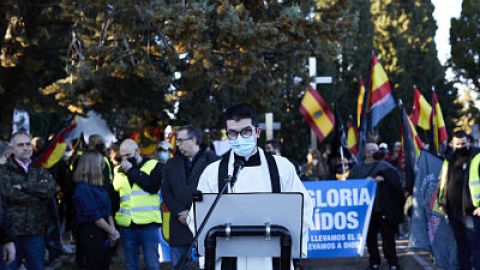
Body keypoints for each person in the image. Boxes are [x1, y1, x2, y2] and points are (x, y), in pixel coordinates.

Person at [190, 103, 313, 270]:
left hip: (272, 260)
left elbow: (303, 208)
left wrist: (287, 243)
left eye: (246, 131)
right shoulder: (212, 172)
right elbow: (197, 217)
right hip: (227, 261)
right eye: (233, 133)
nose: (239, 138)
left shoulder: (282, 168)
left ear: (258, 132)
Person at [162, 124, 218, 269]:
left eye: (181, 140)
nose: (177, 144)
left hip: (205, 225)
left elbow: (218, 192)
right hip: (179, 225)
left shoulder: (214, 162)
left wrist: (194, 215)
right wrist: (180, 212)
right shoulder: (171, 164)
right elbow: (166, 192)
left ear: (193, 140)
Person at [0, 131, 56, 270]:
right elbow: (8, 195)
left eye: (28, 144)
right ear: (12, 149)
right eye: (20, 145)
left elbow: (49, 190)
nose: (25, 148)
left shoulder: (40, 171)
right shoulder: (3, 171)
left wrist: (23, 187)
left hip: (35, 233)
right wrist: (37, 195)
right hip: (10, 234)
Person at [348, 143, 404, 270]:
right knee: (370, 239)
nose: (372, 152)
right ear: (365, 152)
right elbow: (351, 185)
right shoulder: (357, 169)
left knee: (388, 238)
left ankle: (393, 263)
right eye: (369, 150)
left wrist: (383, 178)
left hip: (383, 208)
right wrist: (364, 182)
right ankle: (374, 262)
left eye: (374, 150)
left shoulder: (386, 166)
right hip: (367, 210)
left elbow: (397, 182)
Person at [113, 138, 163, 270]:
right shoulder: (118, 170)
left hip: (149, 225)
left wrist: (131, 171)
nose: (125, 160)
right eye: (122, 156)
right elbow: (114, 196)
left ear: (138, 151)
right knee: (131, 265)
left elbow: (152, 187)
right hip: (127, 226)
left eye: (128, 155)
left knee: (152, 264)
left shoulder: (154, 165)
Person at [438, 130, 480, 270]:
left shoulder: (477, 157)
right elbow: (443, 181)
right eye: (457, 144)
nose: (460, 146)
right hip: (452, 210)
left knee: (475, 245)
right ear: (452, 143)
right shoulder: (448, 158)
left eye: (463, 143)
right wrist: (441, 202)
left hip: (471, 211)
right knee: (461, 245)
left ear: (468, 142)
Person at [73, 151, 120, 270]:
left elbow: (108, 210)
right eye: (101, 163)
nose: (104, 166)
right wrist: (112, 231)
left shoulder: (98, 187)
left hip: (104, 230)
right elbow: (95, 216)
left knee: (104, 265)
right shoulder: (83, 188)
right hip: (92, 232)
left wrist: (112, 230)